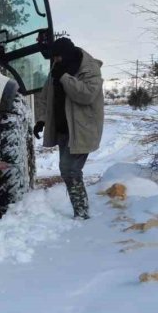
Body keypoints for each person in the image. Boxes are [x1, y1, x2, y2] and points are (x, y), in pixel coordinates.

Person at [34, 37, 104, 219]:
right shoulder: (57, 70)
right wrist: (41, 120)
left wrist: (65, 78)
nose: (55, 61)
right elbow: (44, 97)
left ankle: (82, 213)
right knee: (67, 170)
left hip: (82, 129)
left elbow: (86, 95)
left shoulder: (89, 69)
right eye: (54, 58)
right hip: (64, 129)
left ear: (66, 55)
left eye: (57, 57)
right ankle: (80, 210)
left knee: (70, 169)